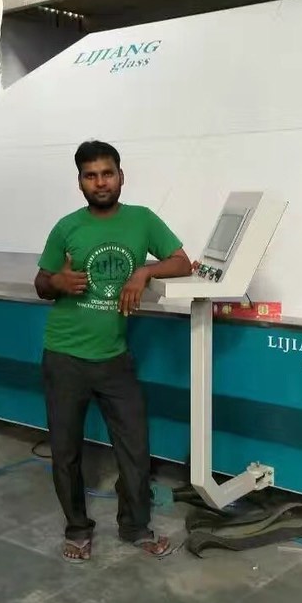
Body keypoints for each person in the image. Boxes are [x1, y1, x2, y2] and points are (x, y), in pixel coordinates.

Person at [34, 140, 192, 563]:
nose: (100, 182)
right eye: (91, 176)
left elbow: (182, 262)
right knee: (66, 451)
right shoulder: (66, 227)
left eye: (107, 173)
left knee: (135, 449)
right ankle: (77, 529)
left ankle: (135, 526)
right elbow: (42, 282)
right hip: (64, 355)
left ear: (121, 176)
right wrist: (56, 283)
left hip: (114, 358)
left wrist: (144, 272)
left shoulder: (142, 220)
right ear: (80, 183)